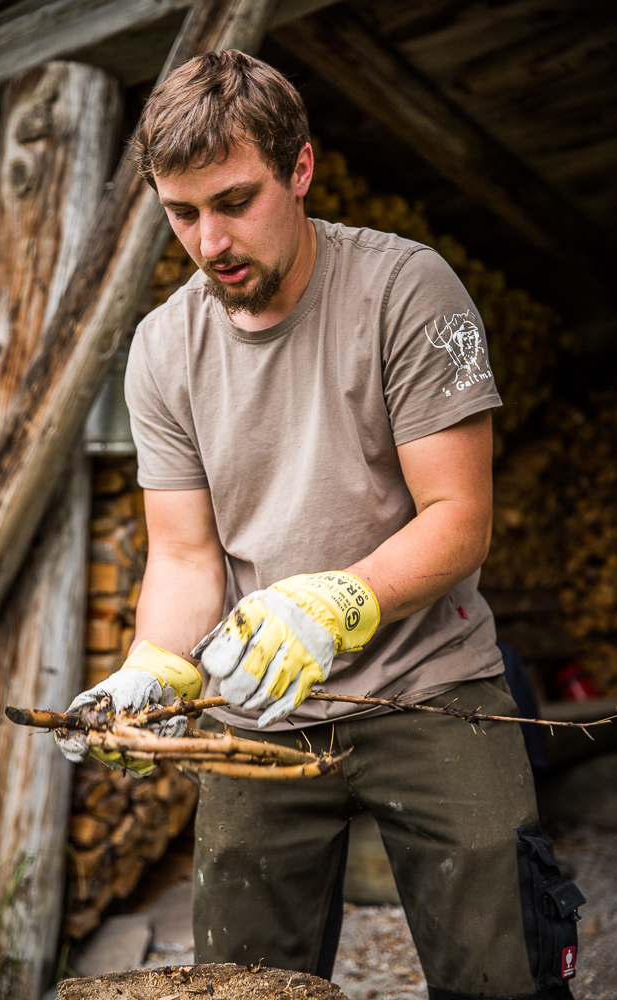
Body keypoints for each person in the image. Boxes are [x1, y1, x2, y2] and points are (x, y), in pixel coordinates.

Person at [57, 50, 584, 999]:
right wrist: (149, 668)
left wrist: (338, 600)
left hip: (434, 686)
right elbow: (183, 556)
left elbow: (459, 518)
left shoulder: (406, 291)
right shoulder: (162, 348)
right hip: (259, 706)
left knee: (503, 973)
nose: (209, 240)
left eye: (234, 200)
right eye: (182, 214)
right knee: (239, 983)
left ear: (300, 169)